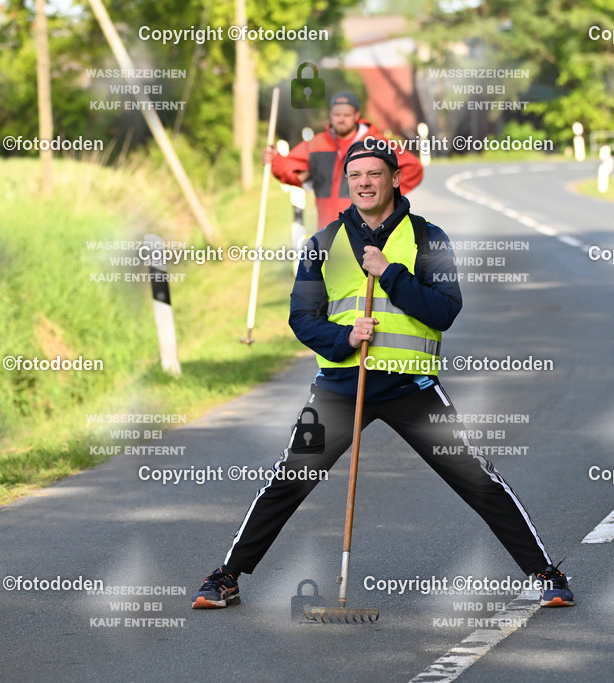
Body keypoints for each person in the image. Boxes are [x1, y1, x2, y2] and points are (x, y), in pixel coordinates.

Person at [191, 139, 574, 611]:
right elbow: (302, 318)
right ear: (347, 182)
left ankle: (546, 573)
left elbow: (445, 311)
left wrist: (389, 272)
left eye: (374, 173)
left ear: (395, 178)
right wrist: (345, 337)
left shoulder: (429, 238)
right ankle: (226, 578)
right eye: (355, 175)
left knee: (476, 479)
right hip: (340, 388)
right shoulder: (322, 243)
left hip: (411, 388)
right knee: (289, 479)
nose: (365, 183)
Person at [264, 91, 424, 230]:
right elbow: (289, 171)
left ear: (356, 115)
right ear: (330, 115)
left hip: (370, 233)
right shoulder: (316, 145)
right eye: (337, 115)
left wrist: (384, 194)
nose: (341, 119)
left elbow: (413, 169)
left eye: (346, 115)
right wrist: (275, 160)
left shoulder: (376, 143)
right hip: (329, 232)